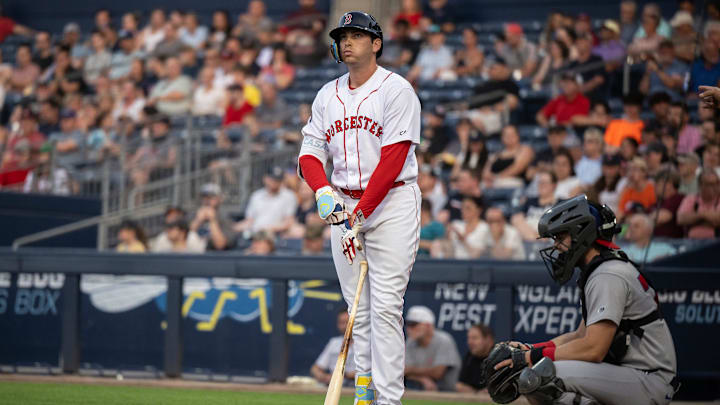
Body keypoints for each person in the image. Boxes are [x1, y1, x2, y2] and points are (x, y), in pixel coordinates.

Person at [297, 12, 421, 404]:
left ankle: (388, 400)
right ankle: (363, 394)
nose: (347, 41)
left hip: (392, 204)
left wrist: (360, 212)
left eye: (356, 35)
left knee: (385, 308)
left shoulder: (396, 90)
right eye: (342, 36)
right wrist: (321, 190)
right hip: (344, 205)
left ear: (376, 44)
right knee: (357, 311)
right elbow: (310, 152)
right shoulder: (326, 95)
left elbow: (394, 158)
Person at [487, 195, 678, 405]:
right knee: (539, 367)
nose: (556, 245)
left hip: (647, 378)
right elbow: (580, 336)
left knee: (539, 376)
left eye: (560, 237)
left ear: (581, 234)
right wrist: (530, 349)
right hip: (633, 375)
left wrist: (527, 359)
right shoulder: (602, 269)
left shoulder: (607, 274)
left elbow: (593, 349)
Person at [404, 306, 461, 392]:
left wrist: (411, 370)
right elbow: (404, 371)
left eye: (414, 325)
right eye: (408, 325)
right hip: (419, 394)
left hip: (448, 394)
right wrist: (423, 379)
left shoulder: (444, 340)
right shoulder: (410, 342)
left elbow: (437, 373)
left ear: (428, 326)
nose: (409, 329)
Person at [235, 166, 298, 235]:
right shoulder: (256, 195)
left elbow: (288, 222)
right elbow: (249, 221)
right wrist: (233, 228)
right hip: (253, 233)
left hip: (274, 235)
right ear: (265, 178)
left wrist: (267, 229)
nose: (274, 182)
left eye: (277, 180)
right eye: (272, 179)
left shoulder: (288, 196)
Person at [310, 309, 356, 386]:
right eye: (341, 323)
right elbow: (315, 368)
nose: (345, 326)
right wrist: (324, 377)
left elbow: (370, 371)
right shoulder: (334, 342)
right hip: (333, 385)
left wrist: (343, 376)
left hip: (356, 386)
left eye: (348, 322)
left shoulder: (365, 343)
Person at [512, 171, 558, 241]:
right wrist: (534, 236)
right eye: (540, 182)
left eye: (545, 182)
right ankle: (536, 241)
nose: (542, 185)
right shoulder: (530, 201)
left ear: (554, 185)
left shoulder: (559, 203)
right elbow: (517, 218)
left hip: (548, 238)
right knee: (516, 218)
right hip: (528, 235)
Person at [190, 183, 234, 251]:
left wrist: (212, 220)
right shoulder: (192, 215)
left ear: (219, 199)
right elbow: (180, 241)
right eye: (204, 197)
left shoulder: (225, 219)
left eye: (211, 197)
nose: (207, 200)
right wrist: (198, 221)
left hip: (214, 258)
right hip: (190, 255)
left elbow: (220, 245)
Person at [677, 169, 720, 239]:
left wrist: (695, 219)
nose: (714, 187)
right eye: (709, 184)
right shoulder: (691, 199)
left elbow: (718, 220)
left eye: (716, 183)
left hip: (716, 244)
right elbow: (681, 219)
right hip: (691, 243)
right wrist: (706, 216)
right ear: (700, 185)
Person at [456, 324, 495, 393]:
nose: (469, 342)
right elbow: (460, 385)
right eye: (469, 338)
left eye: (474, 338)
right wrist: (477, 394)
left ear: (488, 340)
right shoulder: (469, 357)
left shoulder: (500, 357)